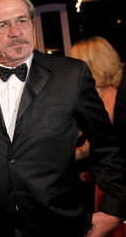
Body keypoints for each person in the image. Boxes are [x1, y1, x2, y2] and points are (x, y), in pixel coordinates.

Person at [0, 0, 126, 237]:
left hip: (60, 224)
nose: (16, 32)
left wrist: (113, 209)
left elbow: (107, 145)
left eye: (21, 21)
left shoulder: (72, 75)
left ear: (32, 24)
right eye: (3, 25)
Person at [71, 36, 126, 237]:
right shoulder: (101, 95)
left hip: (112, 185)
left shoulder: (110, 97)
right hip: (103, 180)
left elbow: (92, 147)